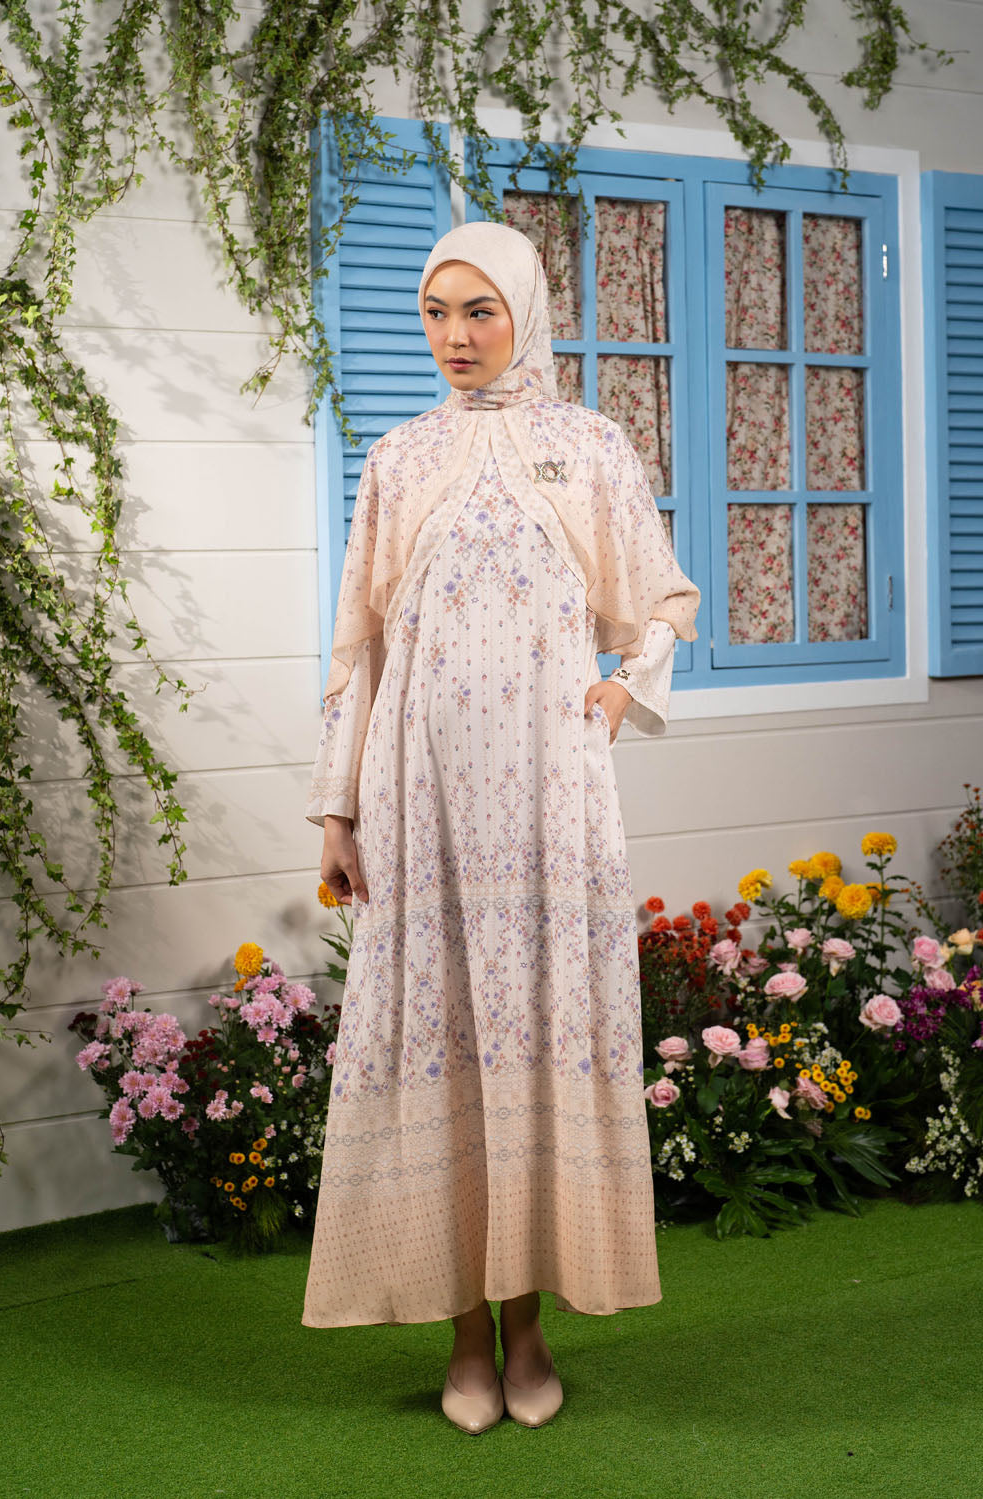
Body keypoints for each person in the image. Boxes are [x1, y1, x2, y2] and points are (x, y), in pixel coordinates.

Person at [302, 220, 701, 1433]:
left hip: (546, 800)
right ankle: (464, 1337)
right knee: (444, 1042)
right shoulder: (398, 459)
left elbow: (662, 594)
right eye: (437, 312)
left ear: (524, 310)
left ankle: (528, 1329)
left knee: (532, 1040)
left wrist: (626, 688)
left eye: (479, 310)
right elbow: (360, 647)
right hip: (418, 801)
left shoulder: (590, 448)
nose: (456, 335)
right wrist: (336, 806)